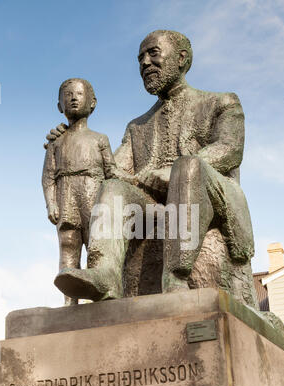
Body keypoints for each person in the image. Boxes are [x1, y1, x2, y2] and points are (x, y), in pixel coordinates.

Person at [47, 30, 254, 303]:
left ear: (181, 58)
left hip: (212, 200)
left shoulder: (221, 103)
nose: (145, 63)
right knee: (113, 188)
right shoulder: (137, 126)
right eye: (140, 58)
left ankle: (176, 278)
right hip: (152, 207)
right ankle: (106, 273)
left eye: (152, 53)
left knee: (189, 167)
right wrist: (73, 136)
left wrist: (175, 172)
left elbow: (229, 150)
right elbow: (113, 170)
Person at [42, 78, 135, 305]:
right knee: (68, 244)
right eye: (67, 95)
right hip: (66, 195)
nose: (73, 98)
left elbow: (112, 171)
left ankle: (99, 293)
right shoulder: (55, 143)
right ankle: (69, 300)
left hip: (94, 193)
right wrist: (51, 203)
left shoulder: (100, 139)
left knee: (98, 243)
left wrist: (136, 181)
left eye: (78, 94)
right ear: (59, 106)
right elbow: (47, 177)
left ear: (92, 103)